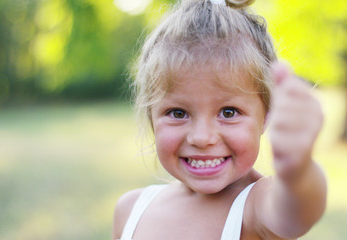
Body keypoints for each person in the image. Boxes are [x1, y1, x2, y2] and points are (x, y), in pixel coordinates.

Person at [112, 0, 327, 239]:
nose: (202, 138)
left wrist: (297, 171)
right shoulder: (130, 209)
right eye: (178, 113)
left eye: (228, 112)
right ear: (151, 116)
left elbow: (297, 212)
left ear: (266, 115)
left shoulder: (255, 207)